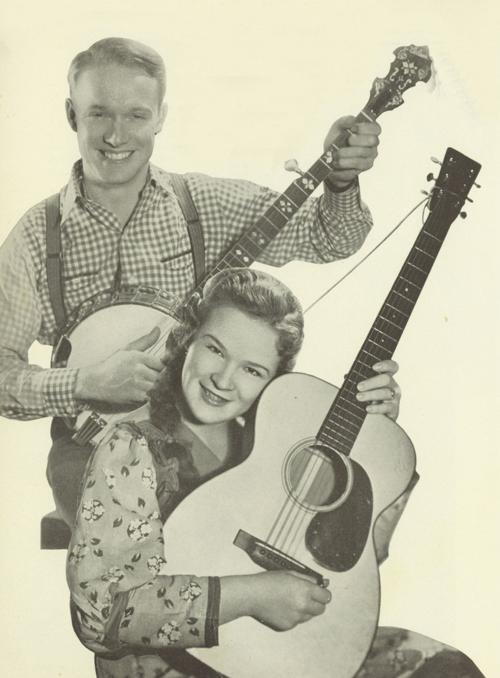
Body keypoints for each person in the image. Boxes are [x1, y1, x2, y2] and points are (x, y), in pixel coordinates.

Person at [0, 37, 382, 526]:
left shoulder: (200, 205)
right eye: (99, 114)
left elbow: (331, 238)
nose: (116, 135)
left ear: (160, 117)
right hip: (92, 456)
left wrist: (341, 181)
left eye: (136, 115)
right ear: (72, 114)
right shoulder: (37, 235)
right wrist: (87, 383)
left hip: (207, 446)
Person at [67, 269, 484, 678]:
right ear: (186, 339)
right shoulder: (131, 447)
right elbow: (100, 619)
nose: (224, 380)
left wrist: (377, 443)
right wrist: (254, 595)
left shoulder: (275, 445)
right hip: (176, 662)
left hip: (285, 657)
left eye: (252, 370)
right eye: (215, 349)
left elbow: (358, 558)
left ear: (274, 379)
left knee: (449, 670)